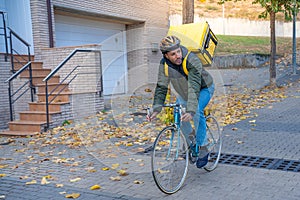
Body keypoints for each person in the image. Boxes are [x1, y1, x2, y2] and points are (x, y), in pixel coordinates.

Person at [147, 35, 215, 168]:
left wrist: (190, 109)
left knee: (196, 112)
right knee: (178, 115)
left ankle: (203, 147)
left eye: (178, 51)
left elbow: (194, 86)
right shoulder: (164, 65)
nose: (178, 55)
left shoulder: (191, 60)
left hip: (203, 88)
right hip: (184, 93)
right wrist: (156, 109)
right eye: (173, 54)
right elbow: (161, 86)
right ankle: (191, 142)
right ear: (166, 56)